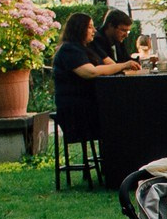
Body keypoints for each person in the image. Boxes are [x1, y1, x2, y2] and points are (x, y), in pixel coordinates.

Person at [50, 12, 138, 146]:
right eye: (90, 27)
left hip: (88, 106)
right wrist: (124, 65)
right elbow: (90, 72)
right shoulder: (69, 50)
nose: (94, 30)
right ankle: (116, 158)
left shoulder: (83, 49)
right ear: (79, 29)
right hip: (77, 111)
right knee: (123, 118)